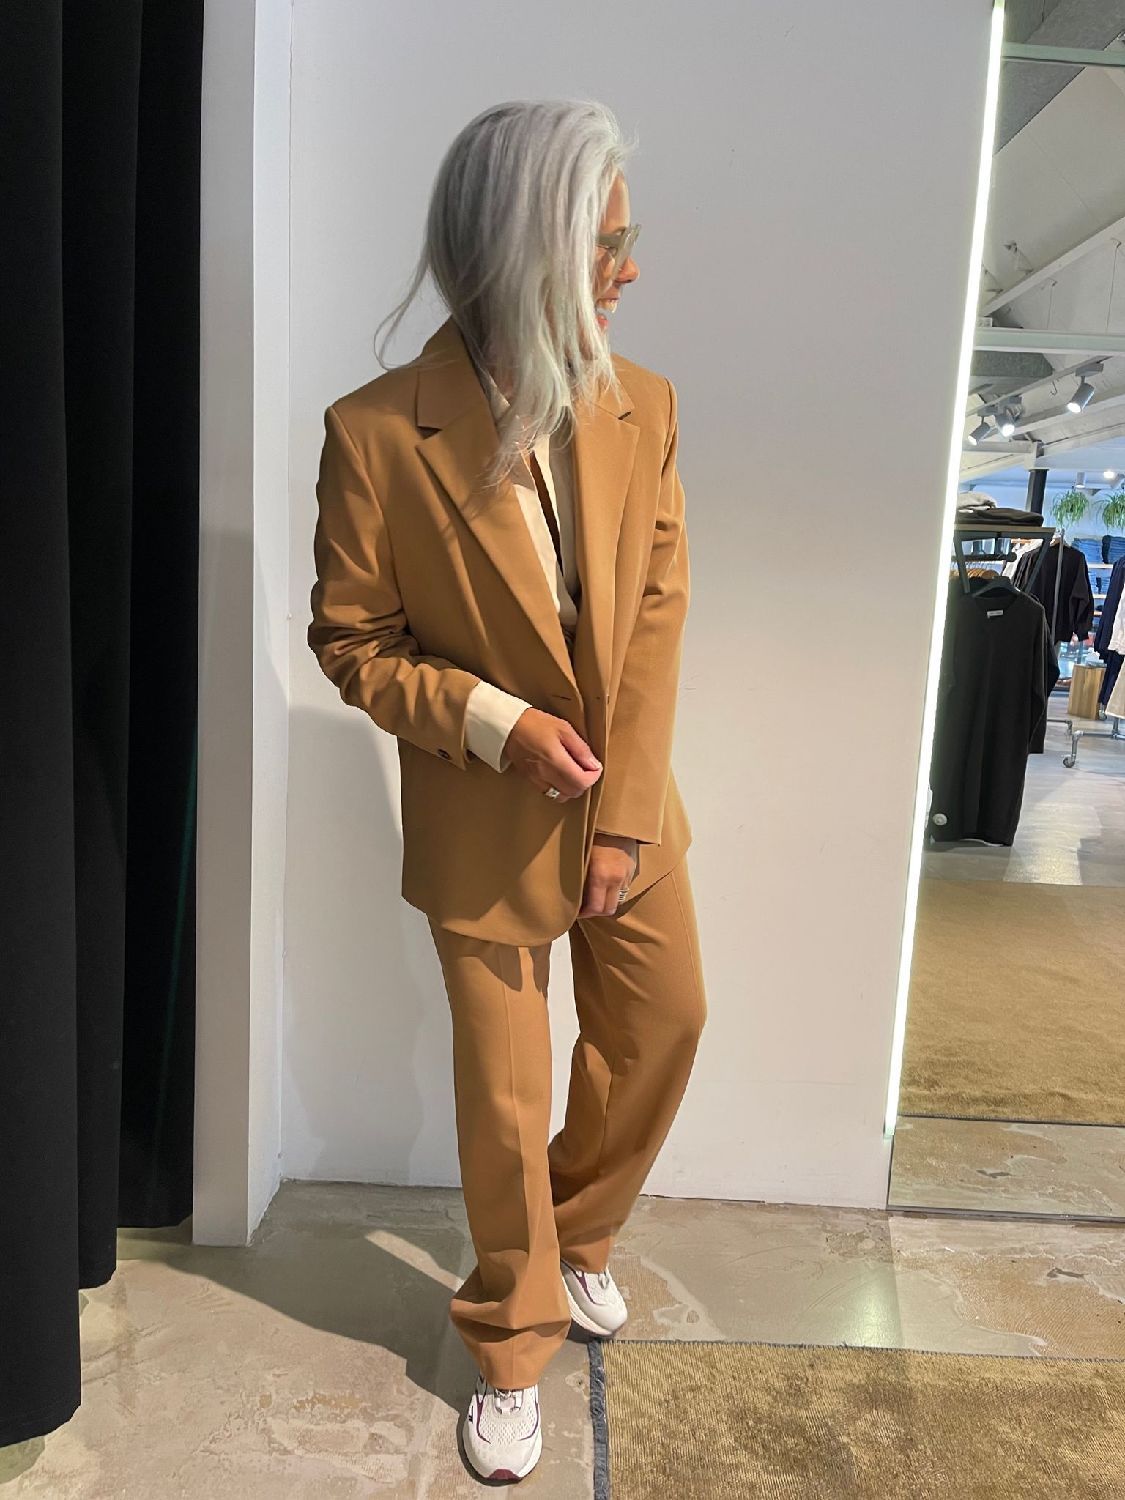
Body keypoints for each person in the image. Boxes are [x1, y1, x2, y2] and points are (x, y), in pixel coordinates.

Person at [307, 98, 706, 1484]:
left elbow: (654, 618)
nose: (631, 268)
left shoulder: (642, 405)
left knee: (664, 1024)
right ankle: (512, 1342)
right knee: (501, 1095)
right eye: (607, 241)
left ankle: (576, 1235)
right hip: (481, 817)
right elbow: (353, 645)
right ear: (525, 244)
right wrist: (497, 724)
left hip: (628, 802)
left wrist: (625, 816)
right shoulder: (376, 432)